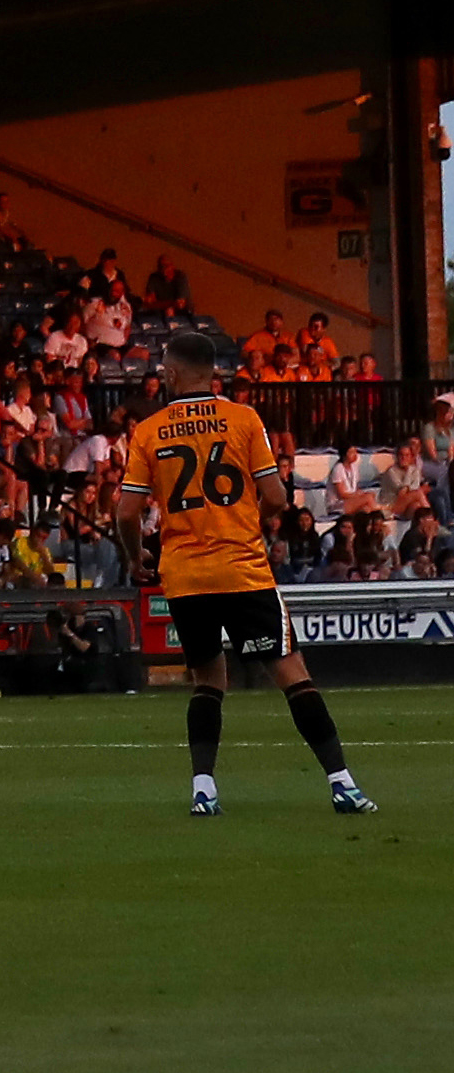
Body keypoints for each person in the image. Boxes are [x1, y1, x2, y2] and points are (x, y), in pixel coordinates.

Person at [117, 326, 376, 818]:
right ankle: (341, 782)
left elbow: (127, 512)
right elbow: (277, 498)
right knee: (293, 675)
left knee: (208, 680)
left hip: (185, 576)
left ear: (172, 373)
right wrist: (240, 515)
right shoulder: (242, 419)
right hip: (243, 570)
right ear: (212, 371)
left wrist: (135, 557)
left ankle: (203, 790)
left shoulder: (148, 431)